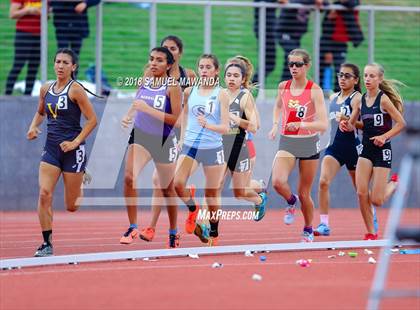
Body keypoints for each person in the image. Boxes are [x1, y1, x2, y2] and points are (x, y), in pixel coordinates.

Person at [26, 48, 97, 257]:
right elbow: (40, 112)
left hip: (73, 151)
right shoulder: (46, 88)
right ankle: (46, 243)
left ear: (73, 67)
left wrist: (75, 142)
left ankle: (81, 175)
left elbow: (92, 120)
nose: (60, 66)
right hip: (51, 150)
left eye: (66, 63)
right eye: (58, 62)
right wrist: (33, 127)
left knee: (72, 206)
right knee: (44, 193)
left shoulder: (76, 90)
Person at [119, 47, 182, 248]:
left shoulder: (172, 86)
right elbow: (138, 100)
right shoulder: (145, 78)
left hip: (163, 140)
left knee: (167, 190)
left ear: (169, 65)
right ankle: (132, 226)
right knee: (129, 177)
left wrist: (149, 110)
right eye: (152, 59)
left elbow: (177, 121)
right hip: (141, 136)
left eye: (160, 60)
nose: (154, 63)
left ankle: (173, 231)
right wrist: (129, 114)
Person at [139, 35, 196, 243]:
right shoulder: (150, 73)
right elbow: (142, 97)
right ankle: (185, 211)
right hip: (157, 131)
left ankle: (153, 227)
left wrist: (185, 135)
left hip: (179, 132)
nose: (168, 51)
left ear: (179, 52)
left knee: (159, 181)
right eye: (164, 48)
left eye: (172, 48)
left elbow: (190, 107)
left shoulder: (188, 75)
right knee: (166, 184)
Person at [340, 63, 405, 240]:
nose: (368, 79)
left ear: (380, 79)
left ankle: (394, 184)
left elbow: (401, 123)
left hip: (382, 149)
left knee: (377, 200)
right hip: (366, 149)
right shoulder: (360, 99)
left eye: (372, 76)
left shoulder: (383, 100)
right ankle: (371, 232)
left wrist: (384, 137)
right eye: (366, 76)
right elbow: (354, 123)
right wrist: (346, 123)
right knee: (361, 192)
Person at [269, 49, 328, 242]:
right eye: (291, 64)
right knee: (278, 181)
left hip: (308, 143)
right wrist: (275, 125)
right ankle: (290, 201)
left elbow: (323, 124)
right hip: (287, 140)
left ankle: (308, 229)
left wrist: (301, 124)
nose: (293, 68)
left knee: (305, 193)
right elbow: (278, 106)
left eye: (298, 64)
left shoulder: (314, 90)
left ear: (307, 66)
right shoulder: (283, 86)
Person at [174, 54, 230, 247]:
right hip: (191, 146)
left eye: (208, 67)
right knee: (178, 184)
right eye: (201, 67)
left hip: (213, 147)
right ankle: (193, 208)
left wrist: (208, 125)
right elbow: (185, 117)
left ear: (216, 71)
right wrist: (181, 139)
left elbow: (225, 127)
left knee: (211, 194)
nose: (204, 70)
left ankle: (214, 229)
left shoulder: (221, 94)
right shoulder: (190, 91)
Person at [315, 63, 363, 236]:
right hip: (334, 147)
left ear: (356, 80)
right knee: (323, 182)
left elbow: (364, 125)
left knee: (361, 190)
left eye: (347, 76)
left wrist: (349, 121)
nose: (342, 78)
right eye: (340, 75)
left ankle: (371, 216)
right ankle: (324, 224)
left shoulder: (357, 98)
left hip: (353, 148)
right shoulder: (334, 97)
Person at [319, 0, 364, 92]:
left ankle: (338, 93)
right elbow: (325, 29)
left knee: (341, 69)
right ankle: (323, 92)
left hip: (341, 44)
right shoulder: (333, 7)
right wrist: (327, 50)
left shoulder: (350, 5)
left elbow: (353, 3)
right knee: (325, 66)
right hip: (328, 42)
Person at [277, 0, 324, 82]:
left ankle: (286, 86)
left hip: (297, 36)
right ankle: (285, 86)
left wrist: (320, 2)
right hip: (284, 32)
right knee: (294, 57)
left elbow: (323, 4)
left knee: (290, 60)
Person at [5, 0, 41, 95]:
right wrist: (28, 10)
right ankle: (7, 95)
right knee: (18, 65)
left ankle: (28, 96)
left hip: (40, 35)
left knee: (33, 67)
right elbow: (12, 14)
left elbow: (48, 13)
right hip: (23, 34)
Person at [252, 0, 278, 84]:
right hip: (264, 28)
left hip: (268, 28)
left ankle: (250, 89)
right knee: (269, 63)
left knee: (268, 63)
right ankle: (249, 88)